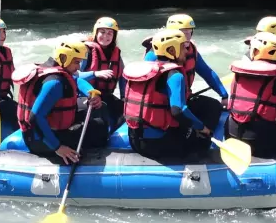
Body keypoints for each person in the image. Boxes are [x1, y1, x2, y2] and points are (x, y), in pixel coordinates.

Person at [124, 29, 212, 160]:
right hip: (158, 145)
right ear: (172, 51)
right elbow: (178, 111)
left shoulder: (145, 70)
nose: (187, 52)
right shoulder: (175, 75)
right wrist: (202, 128)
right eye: (183, 47)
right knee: (202, 139)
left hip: (134, 140)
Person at [15, 40, 108, 164]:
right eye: (76, 62)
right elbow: (35, 117)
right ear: (64, 58)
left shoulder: (53, 69)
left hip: (39, 133)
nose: (79, 67)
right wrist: (57, 147)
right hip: (41, 142)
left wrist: (91, 92)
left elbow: (77, 80)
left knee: (99, 107)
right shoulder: (55, 83)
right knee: (100, 127)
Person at [143, 13, 228, 130]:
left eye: (190, 32)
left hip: (183, 100)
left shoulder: (190, 50)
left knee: (214, 106)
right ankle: (198, 134)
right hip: (163, 105)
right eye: (183, 32)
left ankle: (203, 132)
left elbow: (207, 72)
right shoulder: (155, 54)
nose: (188, 36)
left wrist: (224, 95)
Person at [79, 16, 125, 129]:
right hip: (86, 96)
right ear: (96, 33)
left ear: (114, 36)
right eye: (102, 32)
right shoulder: (86, 52)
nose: (105, 36)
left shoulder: (116, 54)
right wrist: (95, 74)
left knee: (127, 108)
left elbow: (122, 77)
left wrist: (124, 97)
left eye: (110, 33)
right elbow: (74, 76)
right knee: (102, 109)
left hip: (106, 95)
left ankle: (112, 135)